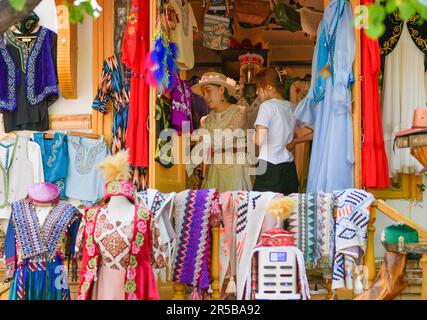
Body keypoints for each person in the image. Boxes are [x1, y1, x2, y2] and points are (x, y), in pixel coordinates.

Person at [252, 66, 313, 195]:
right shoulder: (292, 107)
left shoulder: (266, 106)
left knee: (261, 210)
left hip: (268, 168)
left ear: (269, 87)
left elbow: (259, 140)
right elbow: (315, 131)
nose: (257, 92)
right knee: (288, 211)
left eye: (259, 87)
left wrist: (252, 135)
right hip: (289, 170)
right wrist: (295, 141)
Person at [191, 72, 252, 192]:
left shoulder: (239, 111)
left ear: (222, 89)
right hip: (213, 170)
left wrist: (198, 136)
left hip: (235, 169)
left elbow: (226, 139)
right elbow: (200, 151)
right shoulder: (206, 120)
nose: (205, 96)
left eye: (208, 91)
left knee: (234, 205)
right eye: (203, 93)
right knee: (212, 206)